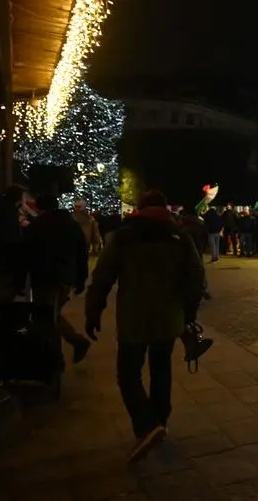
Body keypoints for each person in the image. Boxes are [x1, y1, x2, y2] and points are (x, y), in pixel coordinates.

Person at [85, 190, 205, 463]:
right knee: (161, 368)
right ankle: (160, 420)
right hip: (168, 315)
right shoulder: (179, 235)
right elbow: (197, 275)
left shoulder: (124, 237)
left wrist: (93, 311)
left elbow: (103, 276)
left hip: (133, 315)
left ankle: (146, 424)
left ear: (139, 208)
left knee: (128, 374)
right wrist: (189, 311)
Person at [27, 194, 92, 363]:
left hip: (45, 276)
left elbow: (27, 251)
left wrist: (20, 279)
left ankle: (57, 355)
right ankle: (65, 349)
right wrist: (81, 278)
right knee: (51, 315)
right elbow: (81, 253)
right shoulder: (72, 224)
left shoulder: (38, 225)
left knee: (47, 317)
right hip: (66, 276)